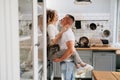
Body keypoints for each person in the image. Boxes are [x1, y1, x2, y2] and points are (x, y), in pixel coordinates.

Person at [47, 10, 93, 79]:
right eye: (56, 15)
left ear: (66, 21)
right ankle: (80, 65)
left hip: (67, 62)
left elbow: (70, 50)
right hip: (64, 60)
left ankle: (80, 65)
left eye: (63, 18)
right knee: (73, 51)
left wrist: (60, 59)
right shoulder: (60, 29)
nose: (60, 18)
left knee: (73, 51)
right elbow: (54, 42)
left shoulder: (67, 32)